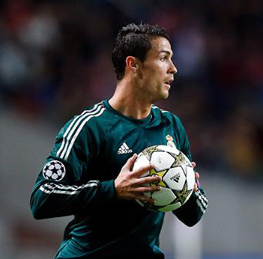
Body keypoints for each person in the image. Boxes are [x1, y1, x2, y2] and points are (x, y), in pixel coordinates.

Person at [30, 23, 208, 259]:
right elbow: (42, 198)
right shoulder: (89, 127)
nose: (174, 69)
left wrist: (186, 188)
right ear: (133, 64)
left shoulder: (171, 126)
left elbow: (192, 215)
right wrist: (113, 189)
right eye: (164, 58)